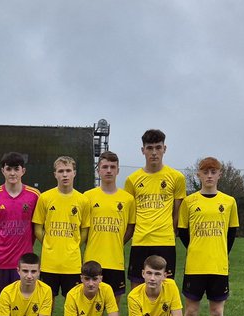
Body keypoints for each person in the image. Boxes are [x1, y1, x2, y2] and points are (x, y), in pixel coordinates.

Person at [177, 157, 239, 316]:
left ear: (220, 174)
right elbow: (183, 232)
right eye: (205, 172)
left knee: (217, 311)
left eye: (213, 172)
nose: (209, 176)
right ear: (199, 175)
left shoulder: (229, 202)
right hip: (195, 266)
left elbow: (231, 234)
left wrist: (219, 252)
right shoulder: (189, 202)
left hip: (218, 266)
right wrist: (197, 248)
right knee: (190, 311)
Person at [124, 129, 186, 284]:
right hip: (140, 241)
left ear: (164, 149)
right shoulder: (132, 180)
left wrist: (171, 231)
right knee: (137, 288)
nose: (154, 152)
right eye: (149, 148)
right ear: (143, 150)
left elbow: (178, 212)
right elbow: (129, 214)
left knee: (165, 288)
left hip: (165, 241)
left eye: (158, 147)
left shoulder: (177, 177)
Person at [0, 151, 41, 316]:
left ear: (23, 171)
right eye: (9, 169)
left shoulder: (35, 195)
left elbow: (35, 226)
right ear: (3, 170)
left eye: (16, 169)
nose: (12, 173)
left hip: (24, 261)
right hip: (0, 260)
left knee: (24, 304)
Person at [83, 150, 135, 306]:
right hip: (92, 260)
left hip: (115, 261)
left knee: (114, 307)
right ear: (98, 170)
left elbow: (130, 227)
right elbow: (83, 228)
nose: (109, 171)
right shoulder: (87, 196)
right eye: (105, 167)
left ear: (118, 170)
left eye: (112, 167)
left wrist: (118, 242)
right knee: (89, 307)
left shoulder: (128, 199)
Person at [33, 156, 89, 298]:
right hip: (49, 264)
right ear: (55, 174)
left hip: (72, 264)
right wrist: (49, 243)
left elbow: (84, 230)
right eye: (61, 171)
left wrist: (74, 244)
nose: (65, 174)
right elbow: (37, 228)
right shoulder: (45, 198)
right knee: (46, 305)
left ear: (74, 173)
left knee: (73, 304)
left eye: (68, 171)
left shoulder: (83, 200)